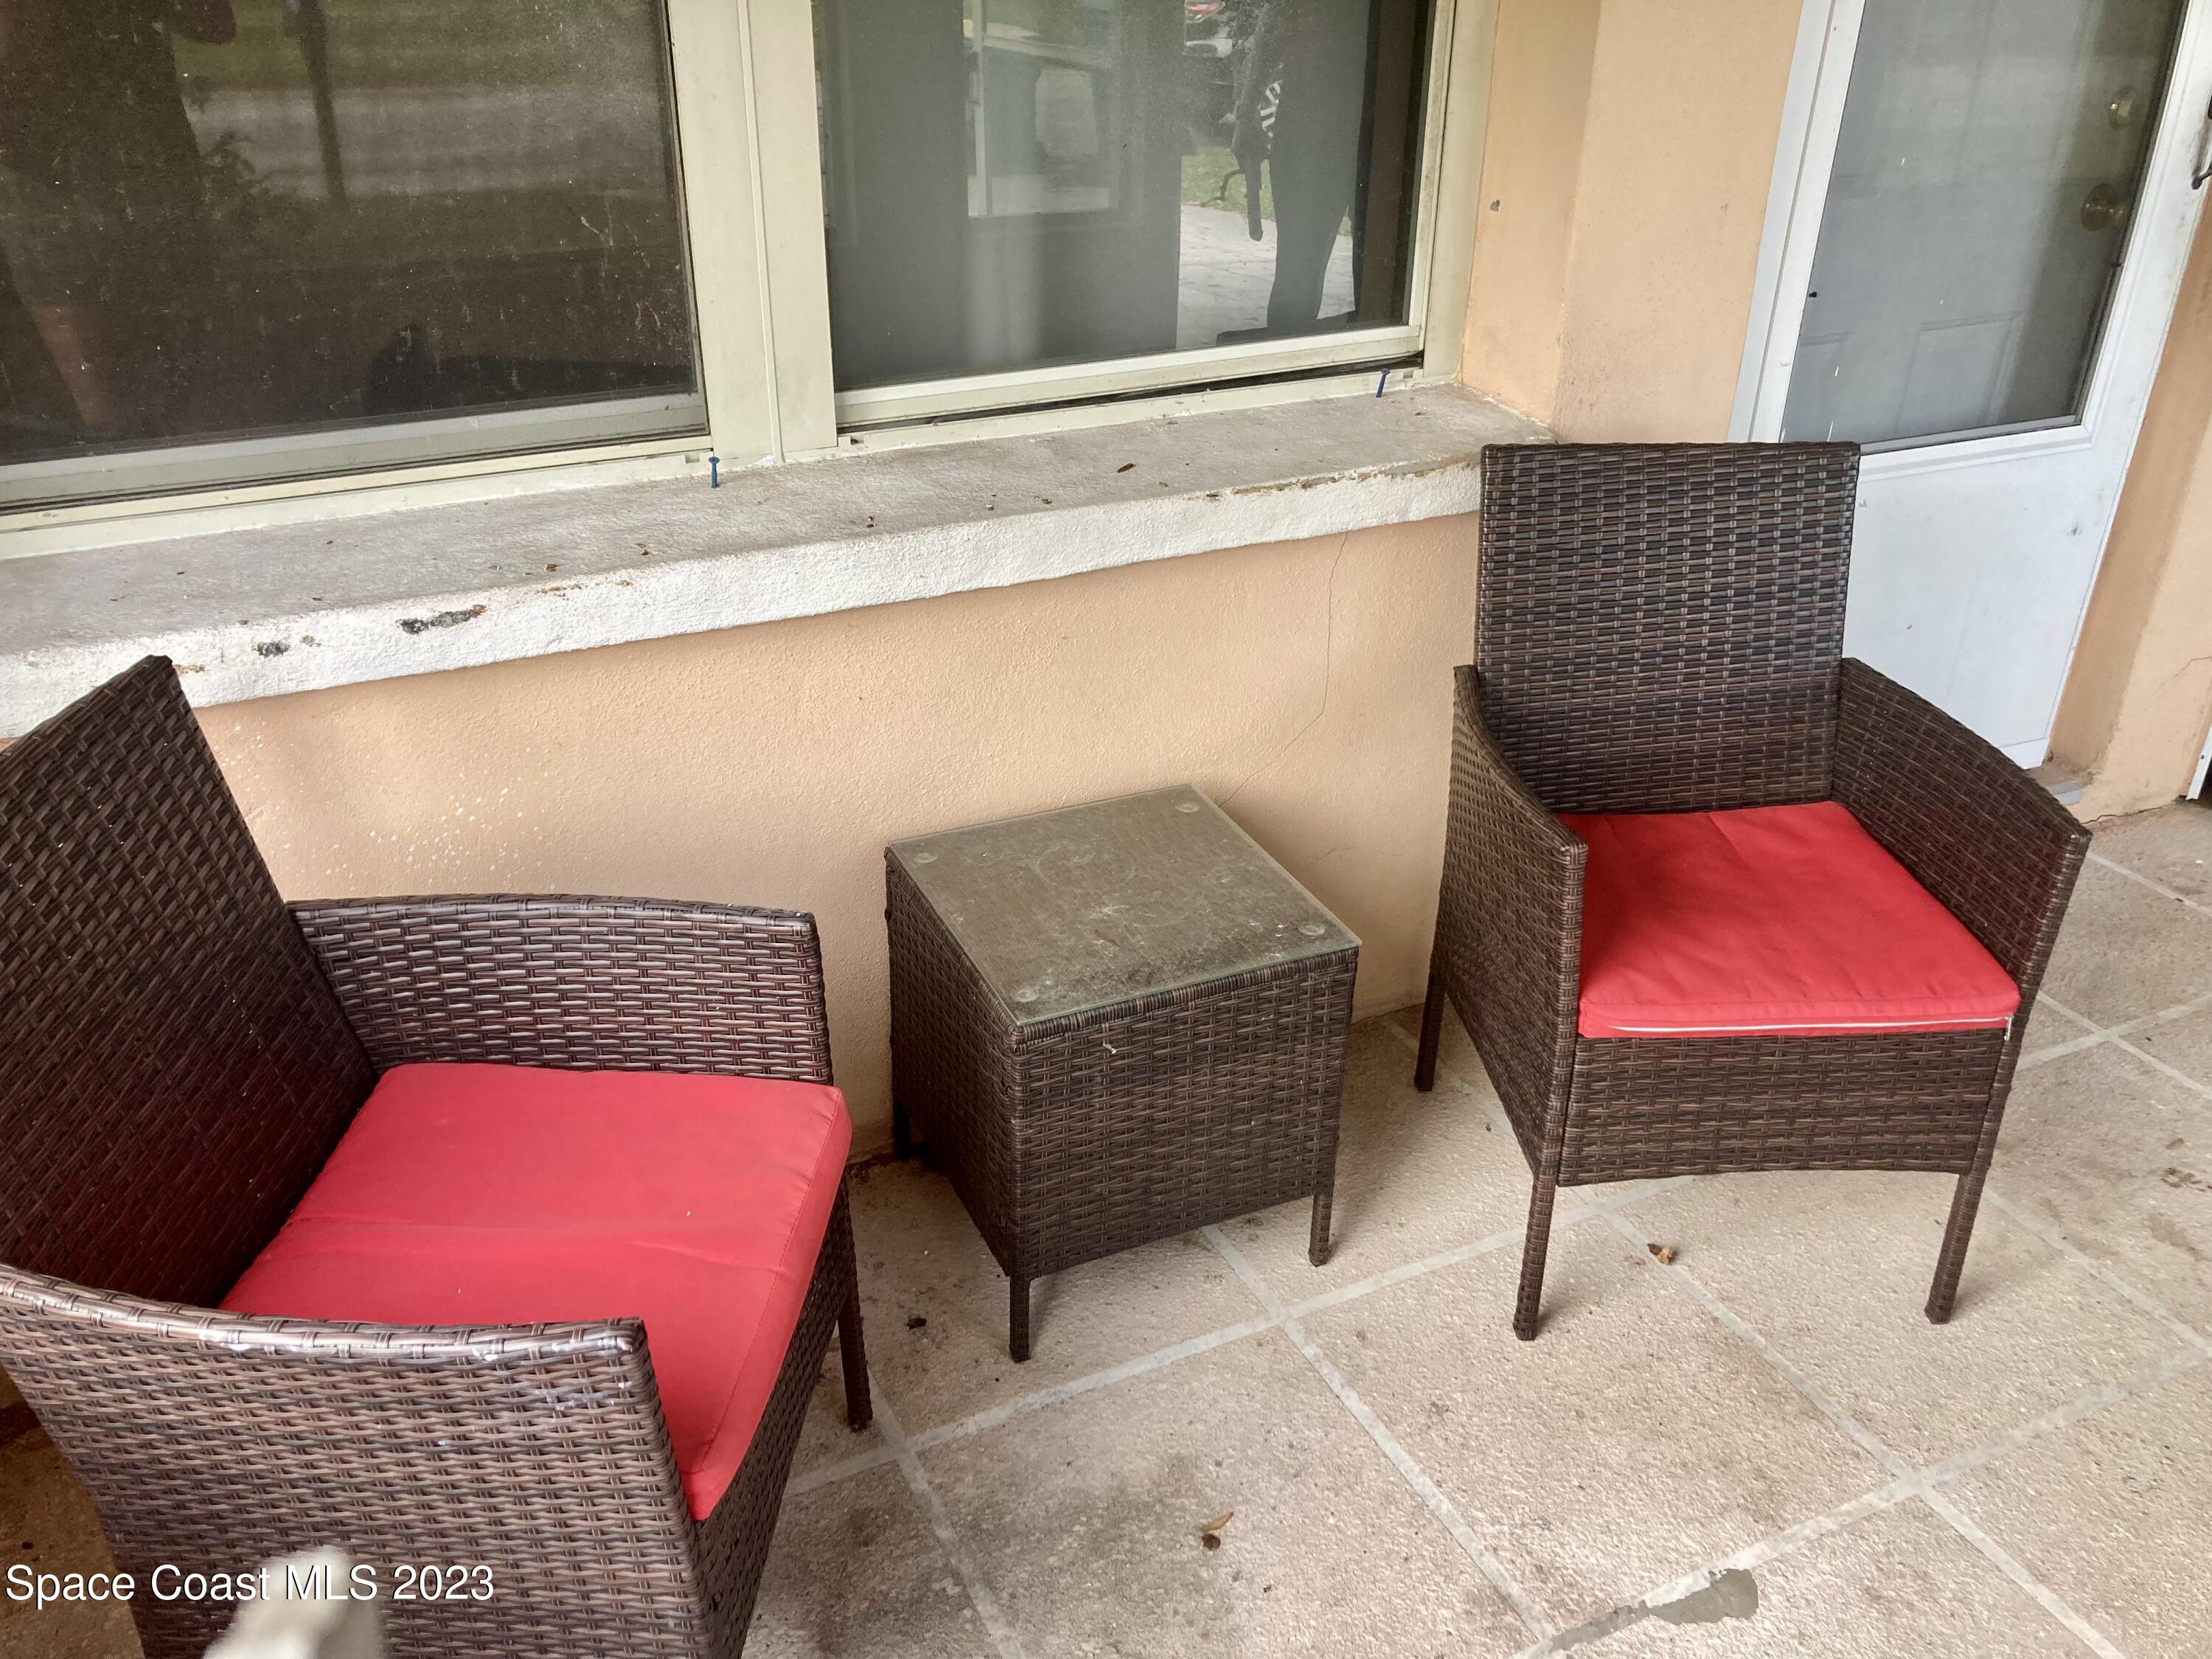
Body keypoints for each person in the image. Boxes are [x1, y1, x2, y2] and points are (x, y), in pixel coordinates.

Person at [0, 0, 237, 439]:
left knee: (182, 381)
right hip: (44, 161)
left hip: (141, 155)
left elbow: (214, 22)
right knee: (102, 407)